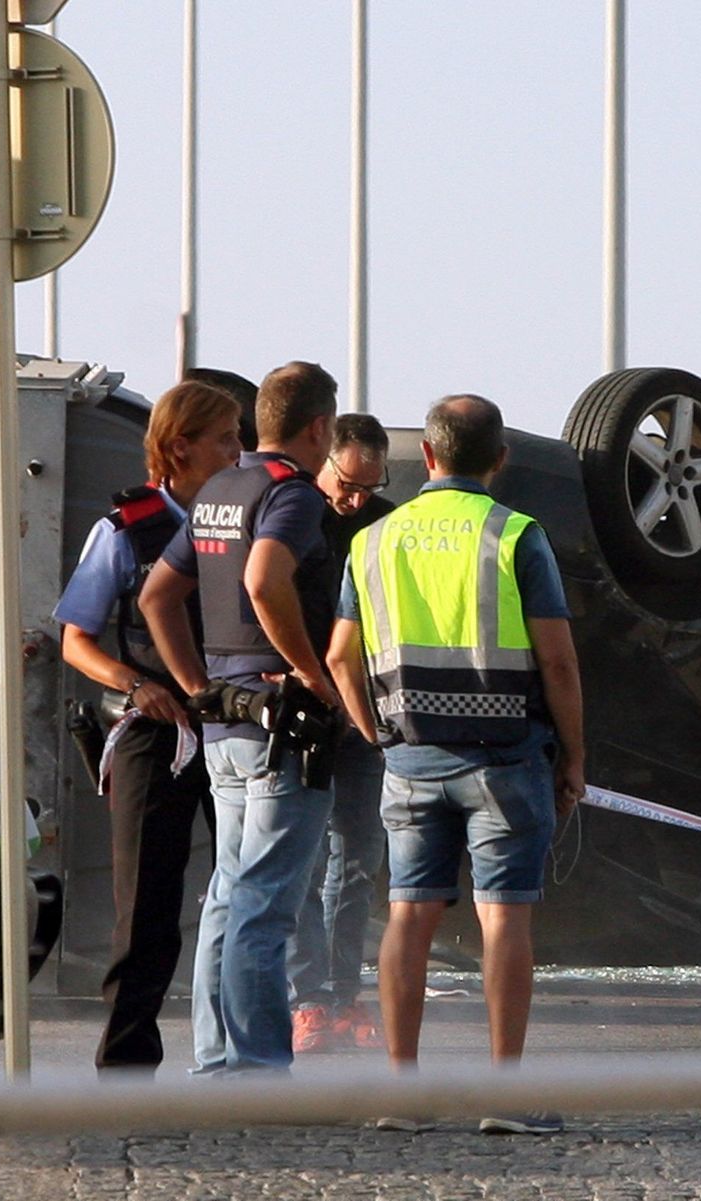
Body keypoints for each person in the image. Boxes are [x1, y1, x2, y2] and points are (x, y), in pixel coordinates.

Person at [327, 394, 585, 1134]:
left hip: (409, 756)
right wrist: (575, 753)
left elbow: (340, 655)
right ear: (498, 460)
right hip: (505, 758)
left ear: (429, 457)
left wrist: (372, 729)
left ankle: (400, 1093)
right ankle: (505, 1094)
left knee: (408, 913)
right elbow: (558, 662)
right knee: (504, 918)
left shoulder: (374, 539)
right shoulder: (515, 536)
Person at [139, 360, 341, 1075]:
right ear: (319, 428)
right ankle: (258, 1066)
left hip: (224, 721)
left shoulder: (220, 488)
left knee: (227, 894)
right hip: (280, 728)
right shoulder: (291, 493)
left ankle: (219, 1058)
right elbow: (264, 578)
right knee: (265, 902)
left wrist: (197, 682)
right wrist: (314, 675)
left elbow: (157, 596)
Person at [53, 379, 244, 1073]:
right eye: (224, 438)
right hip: (150, 730)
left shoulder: (243, 520)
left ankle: (236, 1051)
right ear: (180, 446)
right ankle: (127, 1061)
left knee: (245, 889)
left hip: (232, 726)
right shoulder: (124, 529)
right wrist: (135, 683)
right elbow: (76, 639)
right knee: (148, 906)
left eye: (239, 437)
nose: (237, 451)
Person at [287, 414, 393, 1053]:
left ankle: (345, 991)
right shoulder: (295, 511)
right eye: (346, 485)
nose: (354, 500)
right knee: (303, 858)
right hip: (305, 705)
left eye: (366, 488)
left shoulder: (385, 521)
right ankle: (309, 999)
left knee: (358, 857)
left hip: (365, 709)